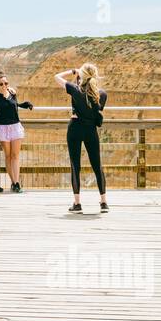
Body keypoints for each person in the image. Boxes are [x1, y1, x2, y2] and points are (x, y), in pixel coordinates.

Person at [54, 64, 107, 213]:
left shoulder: (75, 89)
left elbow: (56, 77)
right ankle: (103, 202)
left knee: (75, 165)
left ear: (81, 75)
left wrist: (72, 71)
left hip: (75, 128)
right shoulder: (102, 94)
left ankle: (77, 204)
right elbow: (96, 110)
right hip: (90, 130)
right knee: (97, 165)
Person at [0, 74, 34, 193]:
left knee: (15, 156)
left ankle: (17, 183)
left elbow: (15, 105)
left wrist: (25, 104)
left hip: (15, 127)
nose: (4, 86)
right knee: (8, 156)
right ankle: (13, 182)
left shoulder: (12, 94)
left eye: (6, 83)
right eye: (1, 84)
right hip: (2, 128)